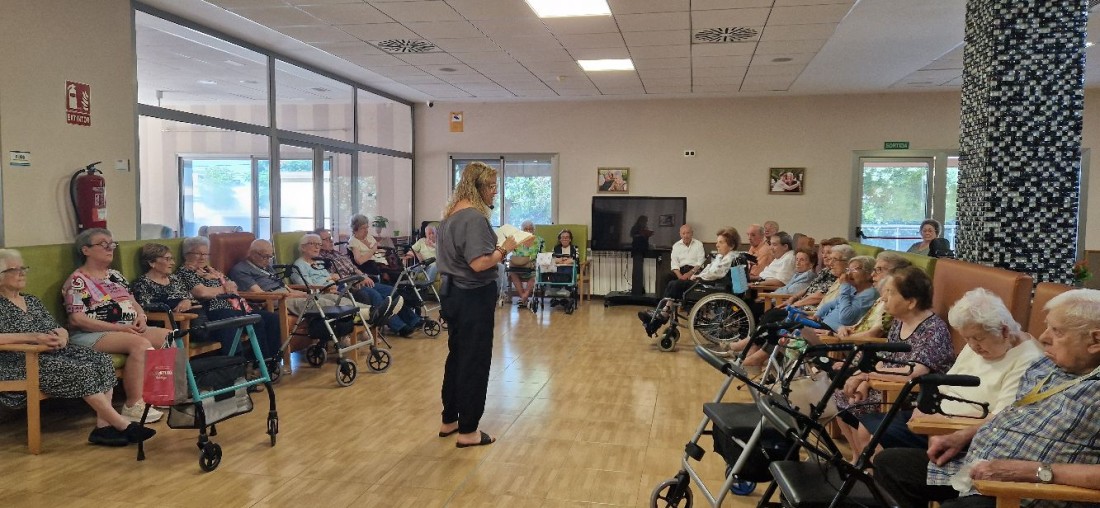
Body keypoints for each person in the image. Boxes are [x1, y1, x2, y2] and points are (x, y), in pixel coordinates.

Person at [874, 289, 1100, 508]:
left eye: (1057, 332)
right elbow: (1009, 413)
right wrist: (961, 436)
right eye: (1047, 327)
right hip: (975, 467)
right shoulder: (1045, 367)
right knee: (891, 464)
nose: (1043, 337)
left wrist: (1035, 471)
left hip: (1020, 492)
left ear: (1095, 341)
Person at [855, 288, 1043, 451]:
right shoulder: (979, 342)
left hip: (960, 430)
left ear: (1004, 331)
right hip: (937, 416)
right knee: (865, 427)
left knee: (877, 440)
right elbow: (946, 384)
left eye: (978, 338)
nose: (972, 346)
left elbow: (1001, 418)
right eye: (967, 339)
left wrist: (942, 423)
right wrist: (923, 407)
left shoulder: (1028, 361)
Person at [0, 249, 156, 446]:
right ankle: (122, 424)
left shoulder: (31, 300)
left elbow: (57, 327)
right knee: (82, 370)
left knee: (102, 360)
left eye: (23, 268)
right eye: (14, 270)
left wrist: (62, 337)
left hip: (51, 353)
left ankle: (103, 427)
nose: (22, 273)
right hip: (18, 361)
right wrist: (32, 338)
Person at [436, 161, 531, 448]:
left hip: (452, 294)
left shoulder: (450, 216)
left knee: (457, 357)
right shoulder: (474, 218)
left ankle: (450, 419)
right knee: (474, 361)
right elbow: (479, 263)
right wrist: (504, 249)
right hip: (472, 297)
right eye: (491, 187)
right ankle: (468, 431)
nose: (494, 192)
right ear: (476, 187)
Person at [832, 266, 955, 460]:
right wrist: (865, 381)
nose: (883, 298)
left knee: (858, 409)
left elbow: (913, 372)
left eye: (890, 293)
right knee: (841, 396)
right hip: (885, 385)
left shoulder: (933, 329)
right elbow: (884, 358)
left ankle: (868, 467)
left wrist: (867, 377)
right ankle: (857, 459)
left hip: (913, 395)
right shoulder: (899, 322)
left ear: (911, 302)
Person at [63, 228, 170, 423]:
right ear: (86, 250)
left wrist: (141, 316)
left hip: (127, 328)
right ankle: (133, 405)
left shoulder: (115, 276)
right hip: (91, 333)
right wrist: (120, 329)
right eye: (103, 244)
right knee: (139, 344)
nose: (110, 248)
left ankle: (160, 396)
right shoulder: (78, 281)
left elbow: (132, 301)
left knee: (169, 337)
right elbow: (77, 319)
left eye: (112, 244)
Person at [177, 236, 282, 363]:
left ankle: (271, 361)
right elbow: (202, 293)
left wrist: (224, 286)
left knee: (272, 319)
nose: (203, 257)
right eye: (198, 254)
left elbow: (233, 286)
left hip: (233, 307)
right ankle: (245, 363)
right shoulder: (185, 272)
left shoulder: (210, 270)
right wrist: (225, 288)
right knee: (251, 320)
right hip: (212, 310)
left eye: (206, 254)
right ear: (186, 254)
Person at [307, 231, 420, 336]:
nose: (331, 241)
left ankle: (413, 320)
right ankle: (400, 327)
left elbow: (354, 267)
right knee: (376, 296)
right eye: (326, 239)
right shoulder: (321, 259)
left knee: (392, 290)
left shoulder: (338, 253)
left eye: (330, 238)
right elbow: (333, 278)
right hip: (346, 284)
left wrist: (363, 276)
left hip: (358, 278)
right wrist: (355, 280)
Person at [638, 228, 741, 337]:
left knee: (676, 285)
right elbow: (709, 270)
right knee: (672, 283)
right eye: (717, 242)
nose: (717, 245)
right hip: (706, 282)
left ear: (731, 245)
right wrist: (698, 276)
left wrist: (697, 276)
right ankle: (661, 315)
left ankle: (661, 316)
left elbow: (715, 274)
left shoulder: (730, 258)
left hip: (710, 286)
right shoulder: (722, 257)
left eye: (721, 242)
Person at [831, 251, 912, 342]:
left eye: (879, 270)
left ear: (895, 274)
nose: (872, 274)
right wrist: (843, 329)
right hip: (850, 341)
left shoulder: (892, 303)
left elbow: (873, 334)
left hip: (862, 346)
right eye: (874, 270)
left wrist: (837, 338)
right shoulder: (880, 299)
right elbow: (859, 326)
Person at [130, 243, 207, 328]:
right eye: (167, 259)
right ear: (152, 262)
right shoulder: (141, 284)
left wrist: (187, 301)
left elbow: (191, 299)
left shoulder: (175, 279)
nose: (173, 263)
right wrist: (175, 306)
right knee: (201, 322)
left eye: (172, 259)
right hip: (168, 322)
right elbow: (147, 309)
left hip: (190, 316)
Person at [348, 214, 398, 282]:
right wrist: (373, 250)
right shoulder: (353, 242)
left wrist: (376, 249)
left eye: (367, 227)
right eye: (363, 228)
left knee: (400, 270)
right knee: (396, 275)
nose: (366, 230)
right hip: (371, 267)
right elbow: (359, 261)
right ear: (355, 229)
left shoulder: (369, 237)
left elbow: (380, 249)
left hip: (383, 262)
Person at [507, 220, 542, 307]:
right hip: (518, 267)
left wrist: (530, 259)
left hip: (532, 267)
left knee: (535, 275)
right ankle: (524, 298)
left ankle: (523, 297)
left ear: (534, 230)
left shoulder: (539, 240)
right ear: (522, 230)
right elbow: (514, 254)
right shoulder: (517, 241)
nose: (528, 231)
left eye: (530, 229)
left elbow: (542, 255)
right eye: (526, 229)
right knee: (512, 273)